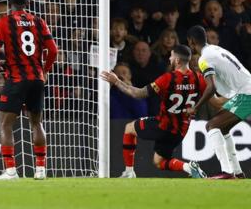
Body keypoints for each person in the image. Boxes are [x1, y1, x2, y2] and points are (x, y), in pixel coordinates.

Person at [101, 44, 207, 178]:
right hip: (181, 130)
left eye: (172, 56)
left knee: (129, 128)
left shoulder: (168, 78)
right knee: (159, 162)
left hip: (163, 125)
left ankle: (129, 172)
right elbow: (212, 97)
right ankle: (188, 167)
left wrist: (116, 82)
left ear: (177, 60)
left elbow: (138, 94)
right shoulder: (199, 79)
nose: (169, 58)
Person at [0, 0, 58, 180]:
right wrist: (45, 70)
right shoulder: (39, 21)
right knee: (36, 123)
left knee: (5, 124)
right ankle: (41, 169)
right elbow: (53, 50)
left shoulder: (4, 22)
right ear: (27, 2)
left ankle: (10, 171)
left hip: (17, 79)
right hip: (37, 79)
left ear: (10, 3)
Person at [186, 25, 249, 179]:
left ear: (192, 41)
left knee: (212, 125)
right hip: (245, 90)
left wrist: (195, 107)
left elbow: (212, 87)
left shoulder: (204, 59)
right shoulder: (215, 49)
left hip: (246, 94)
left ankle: (227, 173)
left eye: (189, 42)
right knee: (223, 128)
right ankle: (237, 172)